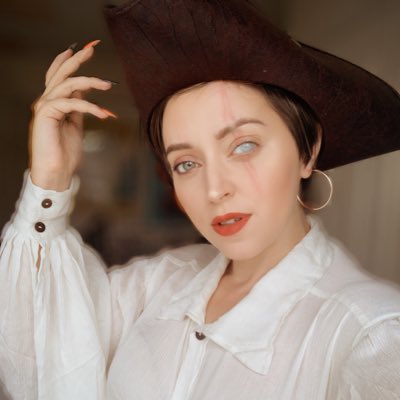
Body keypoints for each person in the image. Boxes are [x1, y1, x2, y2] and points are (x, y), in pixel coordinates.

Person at [1, 0, 400, 399]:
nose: (214, 189)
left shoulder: (369, 336)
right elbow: (40, 354)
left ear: (307, 150)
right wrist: (49, 181)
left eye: (243, 146)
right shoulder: (156, 285)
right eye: (187, 164)